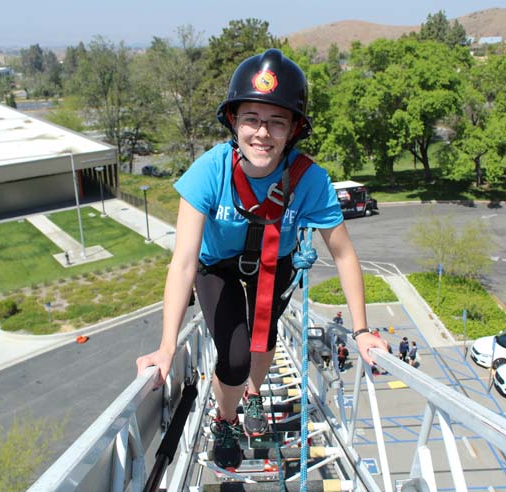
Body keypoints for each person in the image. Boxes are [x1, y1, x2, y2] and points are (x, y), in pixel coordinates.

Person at [135, 49, 387, 470]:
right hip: (218, 266)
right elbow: (182, 262)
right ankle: (228, 417)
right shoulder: (209, 172)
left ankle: (254, 392)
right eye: (251, 118)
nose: (262, 133)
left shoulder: (309, 180)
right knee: (233, 358)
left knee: (264, 339)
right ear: (233, 122)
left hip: (275, 259)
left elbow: (343, 254)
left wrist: (360, 330)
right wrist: (165, 347)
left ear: (293, 130)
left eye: (277, 121)